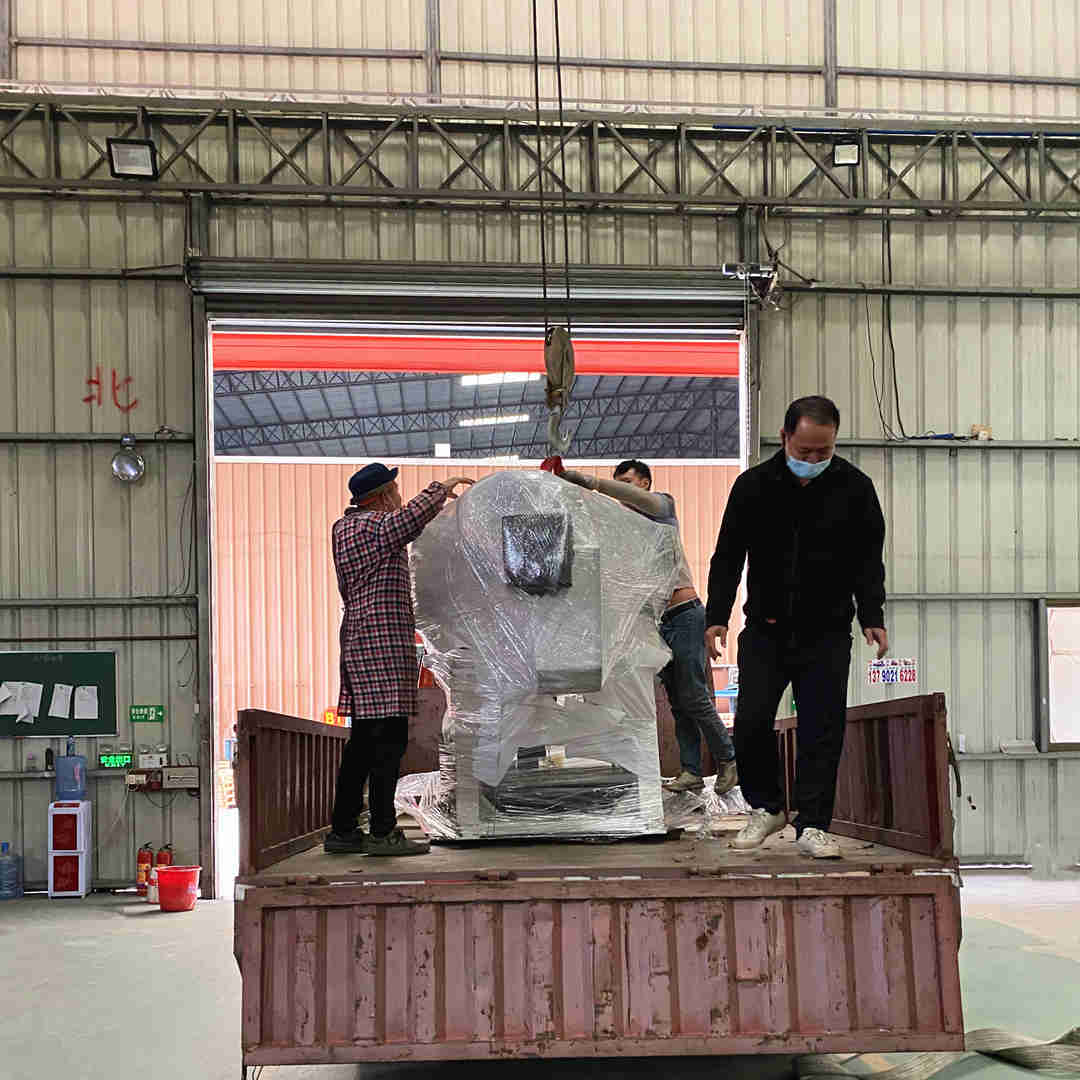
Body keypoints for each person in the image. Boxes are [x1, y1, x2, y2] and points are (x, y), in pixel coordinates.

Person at [705, 396, 888, 859]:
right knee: (750, 722)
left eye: (823, 451)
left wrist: (872, 616)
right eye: (805, 450)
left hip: (827, 634)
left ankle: (813, 824)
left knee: (821, 730)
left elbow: (868, 561)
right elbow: (728, 556)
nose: (813, 459)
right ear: (785, 437)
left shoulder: (855, 489)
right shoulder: (753, 486)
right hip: (765, 632)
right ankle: (767, 808)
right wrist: (716, 616)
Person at [556, 458, 738, 795]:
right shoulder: (623, 529)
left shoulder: (662, 508)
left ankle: (728, 759)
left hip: (684, 614)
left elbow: (633, 499)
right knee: (677, 701)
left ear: (644, 483)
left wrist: (589, 481)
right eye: (619, 483)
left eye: (627, 482)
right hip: (658, 623)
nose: (622, 490)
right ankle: (691, 770)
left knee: (694, 695)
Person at [324, 463, 474, 856]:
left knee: (363, 743)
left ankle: (343, 830)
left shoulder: (354, 529)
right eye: (394, 490)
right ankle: (382, 831)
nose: (399, 497)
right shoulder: (366, 527)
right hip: (379, 645)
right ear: (382, 496)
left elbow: (406, 524)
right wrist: (441, 488)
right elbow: (406, 521)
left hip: (367, 643)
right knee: (388, 741)